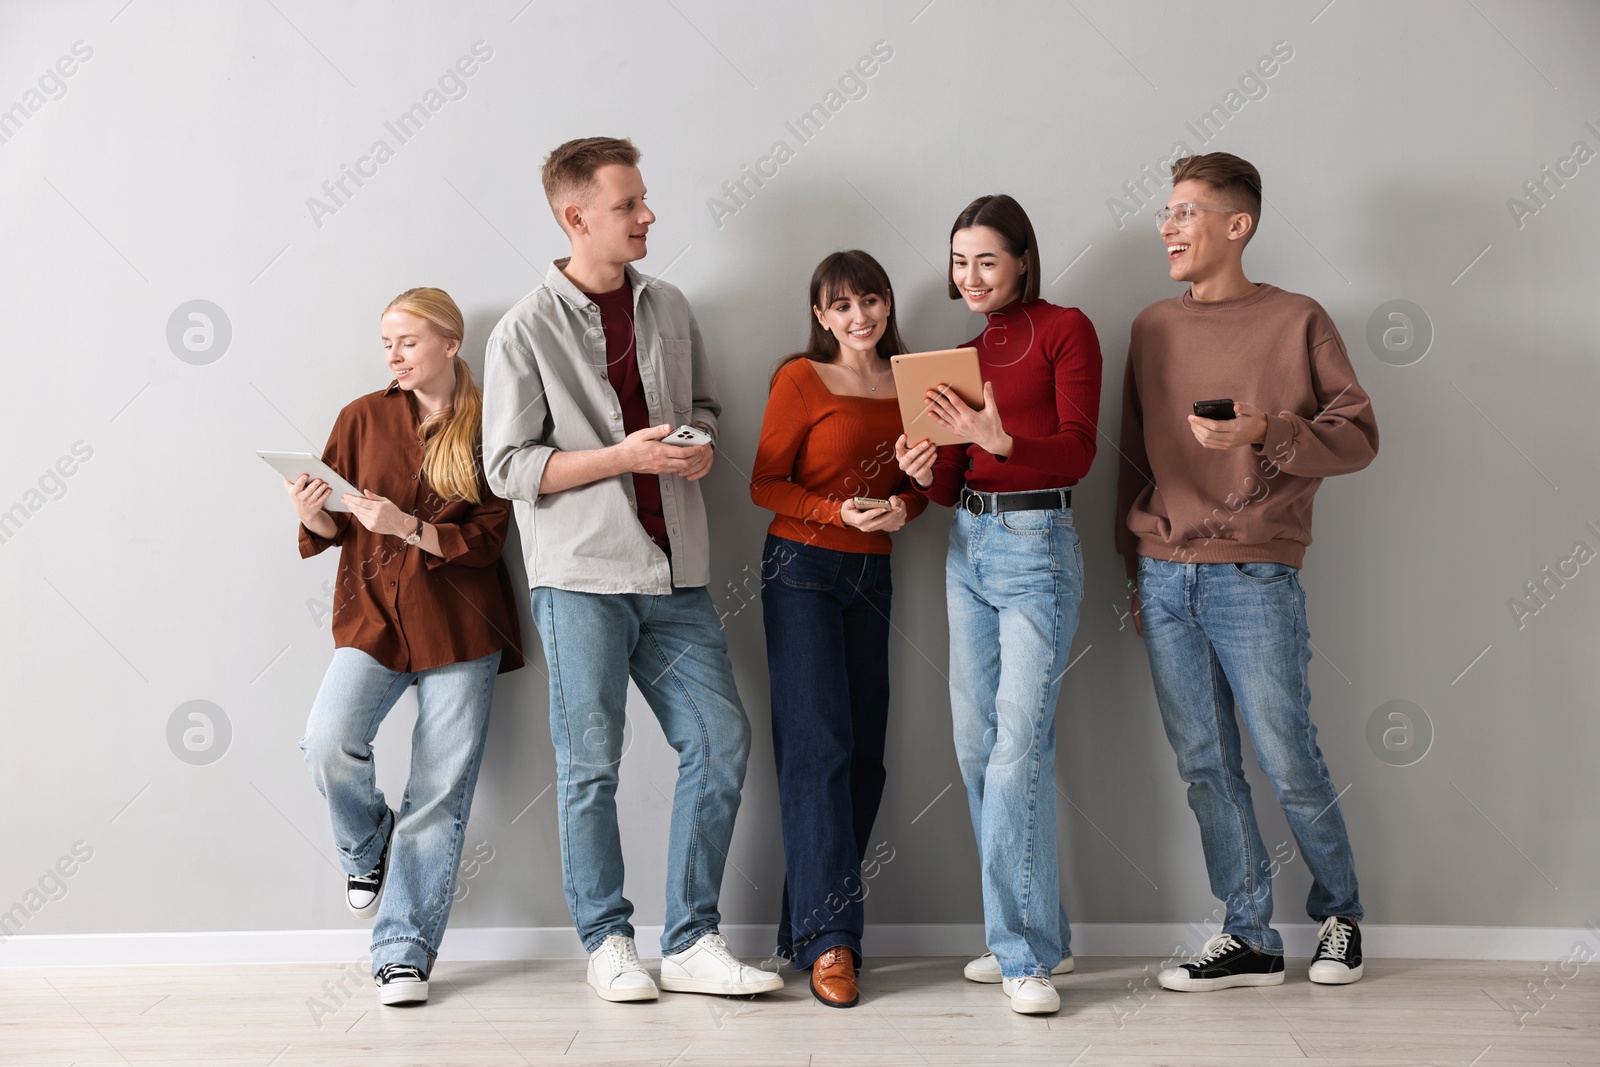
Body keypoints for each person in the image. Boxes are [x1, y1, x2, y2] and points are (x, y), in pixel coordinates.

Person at [482, 136, 781, 1003]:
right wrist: (622, 457)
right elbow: (509, 469)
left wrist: (696, 447)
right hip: (580, 578)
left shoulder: (671, 306)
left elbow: (705, 409)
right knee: (590, 766)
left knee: (720, 740)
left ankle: (690, 940)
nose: (648, 216)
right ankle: (609, 941)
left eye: (644, 200)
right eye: (629, 205)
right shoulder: (523, 331)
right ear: (577, 218)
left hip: (678, 573)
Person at [1115, 152, 1378, 991]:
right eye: (1166, 211)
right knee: (1204, 765)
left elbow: (1361, 434)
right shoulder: (1151, 326)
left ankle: (1340, 914)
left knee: (1286, 753)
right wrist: (1134, 566)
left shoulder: (1299, 319)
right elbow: (1129, 456)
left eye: (1186, 212)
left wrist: (1268, 431)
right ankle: (1249, 934)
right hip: (1165, 573)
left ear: (1239, 224)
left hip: (1256, 575)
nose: (1168, 226)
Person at [895, 195, 1102, 1015]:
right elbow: (953, 486)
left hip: (1038, 546)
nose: (970, 275)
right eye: (958, 260)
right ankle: (1039, 937)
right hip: (968, 553)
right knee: (979, 743)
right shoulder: (964, 351)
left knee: (1019, 743)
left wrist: (999, 434)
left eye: (986, 259)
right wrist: (925, 466)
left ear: (1021, 260)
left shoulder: (1065, 328)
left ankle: (1018, 954)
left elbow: (1080, 450)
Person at [292, 287, 525, 1007]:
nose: (392, 354)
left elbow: (489, 537)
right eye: (386, 342)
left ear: (451, 344)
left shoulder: (494, 422)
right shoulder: (360, 417)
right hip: (373, 616)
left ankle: (403, 951)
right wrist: (315, 516)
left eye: (407, 341)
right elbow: (333, 525)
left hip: (461, 623)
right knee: (328, 741)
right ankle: (368, 846)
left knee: (439, 792)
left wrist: (407, 526)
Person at [750, 250, 926, 1007]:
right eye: (843, 305)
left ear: (888, 304)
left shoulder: (917, 378)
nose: (861, 317)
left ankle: (805, 927)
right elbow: (764, 482)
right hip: (802, 571)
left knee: (862, 759)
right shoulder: (800, 377)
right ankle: (834, 944)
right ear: (820, 315)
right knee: (817, 749)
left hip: (873, 573)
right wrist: (834, 512)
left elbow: (924, 482)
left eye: (872, 300)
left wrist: (906, 505)